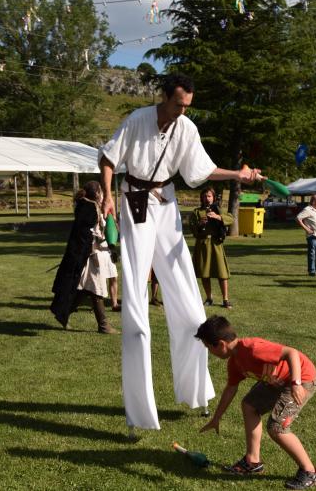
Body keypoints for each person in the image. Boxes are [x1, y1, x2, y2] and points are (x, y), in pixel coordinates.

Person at [98, 73, 262, 431]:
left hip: (166, 203)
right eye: (177, 105)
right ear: (165, 97)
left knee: (189, 302)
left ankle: (196, 393)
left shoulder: (186, 128)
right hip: (135, 202)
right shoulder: (138, 119)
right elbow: (108, 158)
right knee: (137, 310)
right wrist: (109, 196)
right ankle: (140, 413)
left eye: (187, 106)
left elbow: (201, 170)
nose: (182, 111)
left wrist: (239, 175)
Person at [196, 315, 316, 490]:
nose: (210, 352)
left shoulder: (252, 349)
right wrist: (216, 418)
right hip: (276, 381)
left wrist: (296, 383)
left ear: (221, 344)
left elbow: (291, 352)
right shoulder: (235, 362)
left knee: (277, 427)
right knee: (249, 406)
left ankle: (310, 472)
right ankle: (252, 461)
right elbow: (230, 389)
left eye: (209, 348)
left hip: (302, 377)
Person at [49, 181, 118, 334]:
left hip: (89, 254)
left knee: (84, 289)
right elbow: (87, 235)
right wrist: (93, 250)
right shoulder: (89, 208)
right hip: (89, 256)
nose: (102, 196)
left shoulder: (89, 207)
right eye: (101, 192)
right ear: (97, 194)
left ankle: (63, 313)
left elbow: (92, 233)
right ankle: (104, 325)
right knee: (96, 289)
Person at [190, 186, 234, 308]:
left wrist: (218, 217)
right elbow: (192, 229)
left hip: (216, 244)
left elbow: (231, 219)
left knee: (222, 273)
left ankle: (225, 299)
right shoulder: (197, 212)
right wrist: (199, 224)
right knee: (204, 273)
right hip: (203, 244)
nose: (206, 198)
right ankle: (209, 298)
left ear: (213, 197)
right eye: (204, 196)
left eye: (209, 196)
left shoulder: (218, 209)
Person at [296, 194, 316, 276]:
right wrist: (307, 229)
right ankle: (312, 271)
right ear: (313, 201)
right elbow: (298, 218)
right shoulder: (307, 209)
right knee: (312, 253)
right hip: (312, 236)